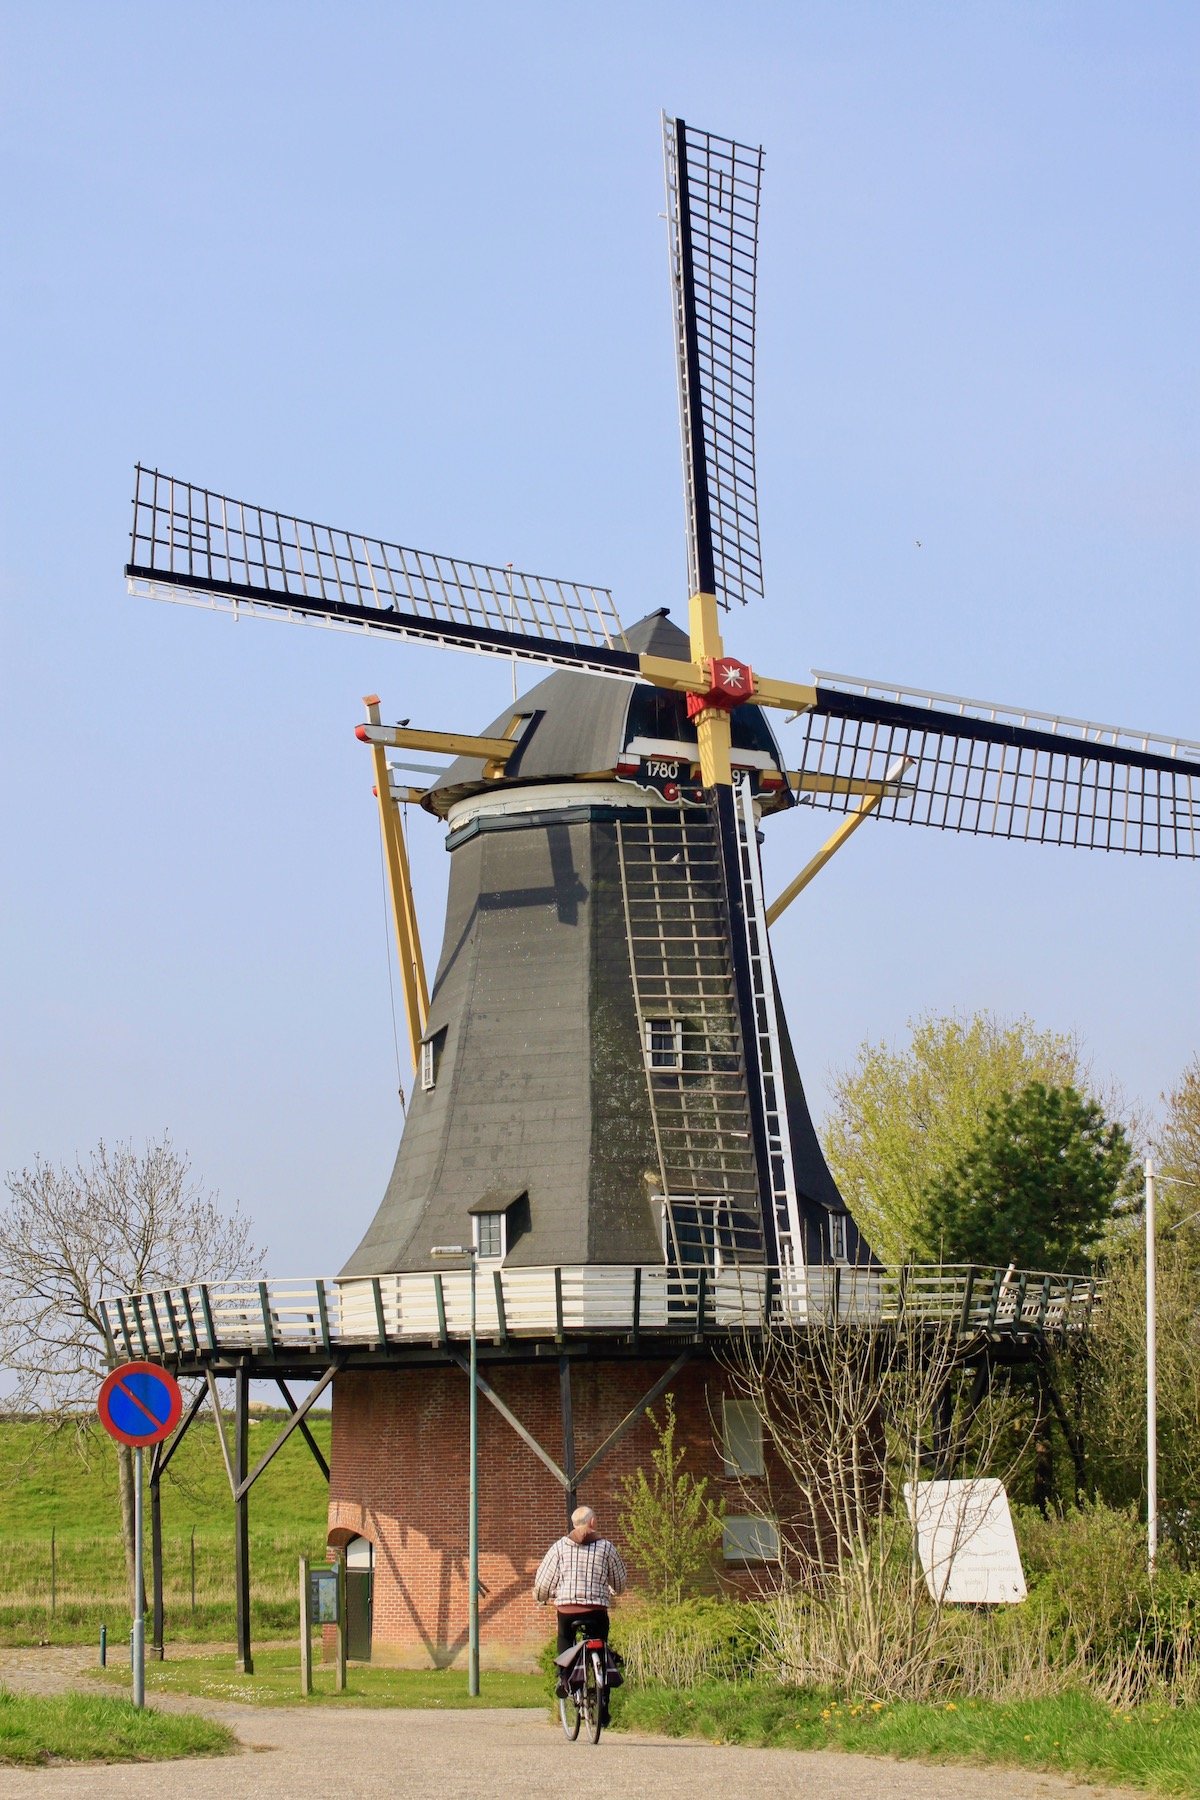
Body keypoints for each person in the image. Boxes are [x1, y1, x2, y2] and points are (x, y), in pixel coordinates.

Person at [533, 1504, 627, 1695]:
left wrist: (542, 1597)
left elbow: (543, 1583)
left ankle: (564, 1678)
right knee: (600, 1641)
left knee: (565, 1637)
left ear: (574, 1524)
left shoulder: (559, 1547)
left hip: (568, 1609)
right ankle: (604, 1695)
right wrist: (612, 1590)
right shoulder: (606, 1547)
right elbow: (619, 1584)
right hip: (596, 1610)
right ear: (592, 1522)